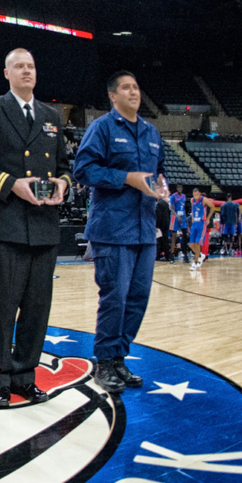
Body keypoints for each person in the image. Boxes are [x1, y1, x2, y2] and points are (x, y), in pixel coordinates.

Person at [0, 48, 73, 408]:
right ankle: (1, 379)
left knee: (38, 309)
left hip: (44, 226)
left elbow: (63, 164)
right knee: (6, 307)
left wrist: (64, 183)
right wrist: (12, 184)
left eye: (31, 65)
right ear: (7, 74)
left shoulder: (51, 115)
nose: (27, 71)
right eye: (19, 66)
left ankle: (26, 376)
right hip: (8, 224)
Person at [73, 71, 166, 393]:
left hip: (144, 230)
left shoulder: (152, 133)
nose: (133, 92)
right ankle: (104, 362)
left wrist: (160, 185)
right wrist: (127, 178)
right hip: (112, 229)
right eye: (125, 88)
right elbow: (82, 170)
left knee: (138, 299)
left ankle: (119, 358)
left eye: (136, 87)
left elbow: (158, 173)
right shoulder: (102, 128)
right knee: (114, 298)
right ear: (113, 96)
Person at [187, 188, 213, 271]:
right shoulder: (192, 200)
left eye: (197, 194)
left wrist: (208, 218)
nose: (195, 196)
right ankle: (201, 255)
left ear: (200, 193)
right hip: (194, 224)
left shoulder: (203, 200)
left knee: (198, 243)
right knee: (191, 244)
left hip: (202, 223)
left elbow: (212, 207)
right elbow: (193, 212)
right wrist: (192, 223)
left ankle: (195, 263)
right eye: (194, 194)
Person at [167, 185, 188, 262]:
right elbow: (172, 209)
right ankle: (171, 255)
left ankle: (185, 254)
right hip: (174, 217)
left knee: (185, 236)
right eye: (178, 187)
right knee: (174, 237)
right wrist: (177, 216)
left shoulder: (184, 196)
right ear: (176, 189)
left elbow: (183, 208)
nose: (180, 189)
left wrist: (184, 218)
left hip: (182, 217)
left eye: (181, 187)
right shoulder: (173, 196)